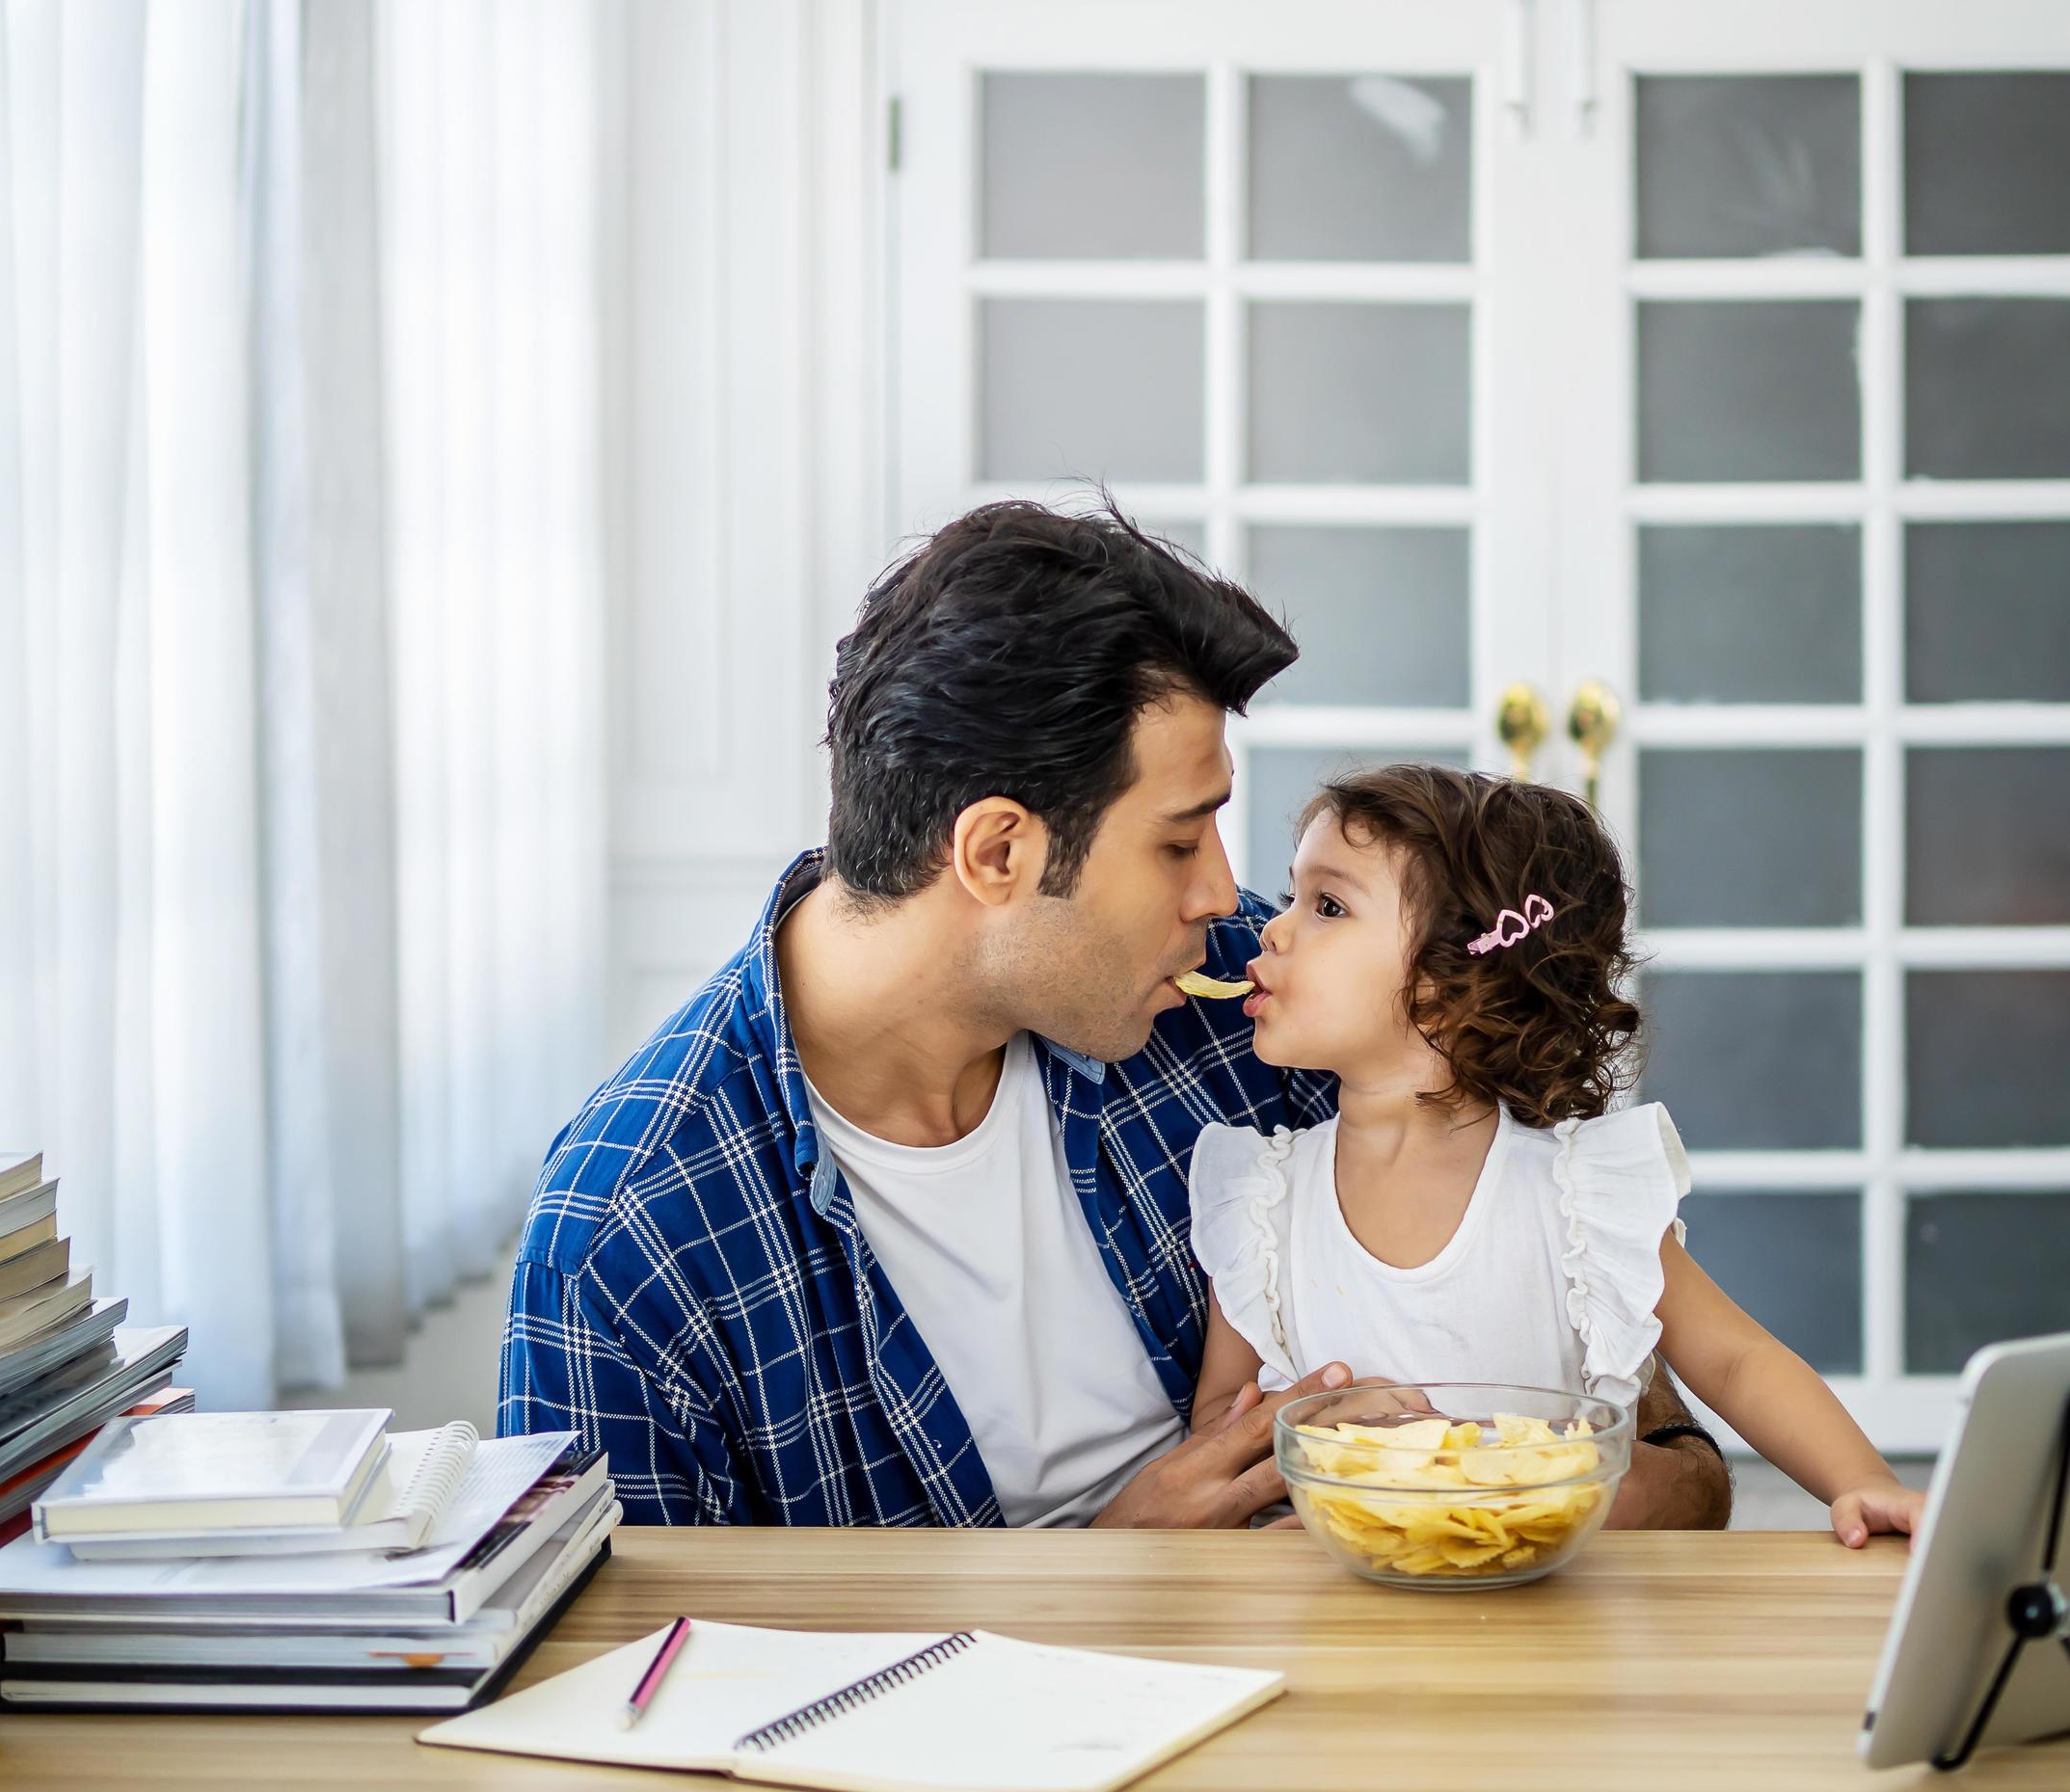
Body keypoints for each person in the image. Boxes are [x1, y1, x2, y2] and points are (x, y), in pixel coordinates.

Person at [498, 499, 1732, 1530]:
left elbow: (1683, 1470)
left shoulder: (1270, 1010)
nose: (1227, 898)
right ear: (997, 851)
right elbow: (633, 1708)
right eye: (1180, 841)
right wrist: (1108, 1563)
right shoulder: (628, 1239)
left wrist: (1475, 1474)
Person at [1188, 763, 1925, 1547]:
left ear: (1446, 982)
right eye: (1294, 893)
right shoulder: (1261, 1199)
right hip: (1333, 1606)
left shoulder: (1577, 1195)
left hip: (1553, 1617)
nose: (1272, 926)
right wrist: (1328, 1443)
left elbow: (1738, 1360)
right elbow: (1219, 1424)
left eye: (1327, 905)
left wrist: (1864, 1484)